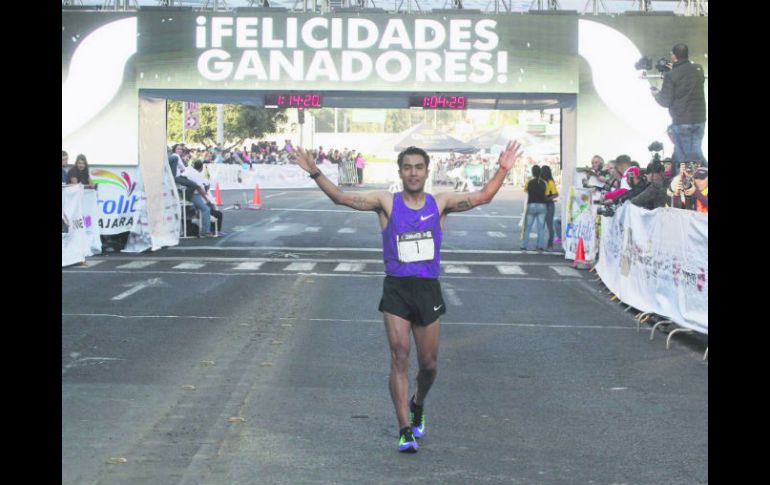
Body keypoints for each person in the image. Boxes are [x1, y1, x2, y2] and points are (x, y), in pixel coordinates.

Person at [293, 141, 523, 453]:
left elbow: (482, 197)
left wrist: (503, 169)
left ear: (427, 172)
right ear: (400, 172)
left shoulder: (439, 203)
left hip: (427, 289)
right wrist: (315, 172)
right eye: (407, 167)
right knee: (399, 355)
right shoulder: (385, 202)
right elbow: (342, 199)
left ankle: (418, 403)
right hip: (397, 288)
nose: (412, 172)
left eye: (418, 167)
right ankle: (404, 429)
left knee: (428, 366)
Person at [651, 43, 707, 170]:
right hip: (699, 119)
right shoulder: (698, 68)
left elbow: (664, 101)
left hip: (682, 120)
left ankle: (694, 183)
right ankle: (695, 181)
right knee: (695, 151)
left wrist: (656, 94)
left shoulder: (671, 75)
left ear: (674, 56)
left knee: (687, 158)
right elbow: (690, 78)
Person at [187, 160, 224, 235]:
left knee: (213, 211)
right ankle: (208, 230)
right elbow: (199, 189)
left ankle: (212, 230)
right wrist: (207, 200)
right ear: (201, 168)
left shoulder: (192, 173)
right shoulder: (198, 177)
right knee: (212, 212)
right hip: (198, 198)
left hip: (196, 197)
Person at [521, 165, 548, 251]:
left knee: (528, 227)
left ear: (532, 173)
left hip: (531, 205)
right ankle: (540, 245)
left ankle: (524, 245)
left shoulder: (529, 182)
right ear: (540, 173)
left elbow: (526, 191)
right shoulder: (545, 183)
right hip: (542, 206)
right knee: (541, 227)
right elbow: (546, 194)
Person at [541, 165, 559, 251]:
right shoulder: (540, 181)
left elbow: (556, 194)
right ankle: (542, 245)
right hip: (544, 204)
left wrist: (547, 198)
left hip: (548, 205)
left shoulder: (550, 182)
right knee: (542, 225)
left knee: (549, 225)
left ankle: (550, 245)